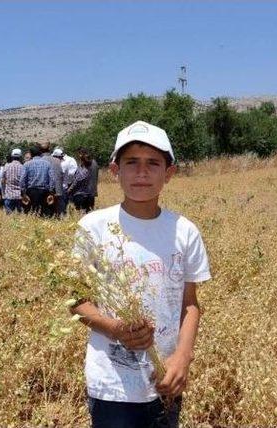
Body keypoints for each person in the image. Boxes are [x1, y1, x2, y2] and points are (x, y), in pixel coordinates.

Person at [70, 121, 211, 428]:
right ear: (115, 171)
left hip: (165, 379)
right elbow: (77, 300)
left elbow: (190, 304)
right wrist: (114, 327)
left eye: (153, 163)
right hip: (111, 385)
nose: (142, 172)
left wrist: (182, 357)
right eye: (131, 163)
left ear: (169, 173)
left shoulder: (185, 232)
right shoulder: (93, 227)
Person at [19, 145, 55, 217]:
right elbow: (52, 179)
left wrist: (23, 193)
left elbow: (22, 180)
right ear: (40, 153)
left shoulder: (26, 164)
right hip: (44, 192)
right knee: (43, 214)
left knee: (31, 213)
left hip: (31, 192)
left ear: (31, 154)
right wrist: (51, 192)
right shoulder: (47, 164)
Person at [39, 142, 63, 217]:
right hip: (57, 191)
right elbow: (61, 175)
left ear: (40, 150)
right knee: (56, 215)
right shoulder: (57, 161)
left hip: (44, 192)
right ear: (49, 149)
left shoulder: (39, 161)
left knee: (44, 215)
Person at [1, 149, 25, 214]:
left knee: (8, 218)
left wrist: (3, 194)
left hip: (9, 195)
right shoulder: (23, 167)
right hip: (19, 196)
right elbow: (24, 182)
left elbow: (2, 181)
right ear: (20, 157)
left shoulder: (6, 166)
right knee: (20, 217)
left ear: (12, 156)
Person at [60, 148, 78, 213]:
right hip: (61, 184)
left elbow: (73, 172)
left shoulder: (70, 159)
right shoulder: (57, 159)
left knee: (69, 202)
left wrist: (66, 177)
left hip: (69, 183)